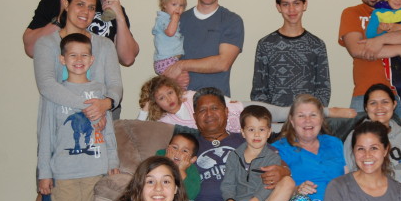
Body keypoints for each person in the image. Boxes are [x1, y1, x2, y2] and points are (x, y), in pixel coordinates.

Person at [29, 0, 123, 201]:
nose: (84, 11)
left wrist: (104, 103)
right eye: (79, 4)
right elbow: (47, 87)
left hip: (95, 148)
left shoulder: (104, 46)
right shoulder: (47, 44)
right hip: (60, 144)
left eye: (91, 7)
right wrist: (89, 103)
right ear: (66, 4)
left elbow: (114, 90)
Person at [137, 76, 355, 134]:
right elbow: (142, 129)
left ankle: (328, 111)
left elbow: (214, 100)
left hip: (239, 108)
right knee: (281, 128)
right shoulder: (165, 121)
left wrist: (229, 102)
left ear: (176, 90)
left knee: (282, 112)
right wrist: (143, 110)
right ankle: (320, 123)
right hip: (239, 129)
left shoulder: (189, 96)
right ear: (156, 103)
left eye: (169, 93)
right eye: (161, 98)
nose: (169, 99)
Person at [163, 0, 243, 97]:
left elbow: (223, 63)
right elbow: (164, 58)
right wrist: (172, 76)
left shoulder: (232, 21)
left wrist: (182, 65)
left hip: (215, 104)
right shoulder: (178, 19)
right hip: (179, 103)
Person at [251, 0, 331, 107]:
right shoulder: (265, 44)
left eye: (296, 3)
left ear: (305, 5)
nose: (291, 10)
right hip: (275, 121)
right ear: (278, 7)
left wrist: (311, 115)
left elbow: (323, 90)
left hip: (308, 120)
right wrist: (270, 116)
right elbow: (258, 90)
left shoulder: (317, 45)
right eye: (286, 4)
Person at [155, 133, 201, 201]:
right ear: (168, 148)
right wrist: (167, 162)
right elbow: (152, 174)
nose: (178, 152)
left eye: (185, 151)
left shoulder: (192, 170)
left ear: (192, 159)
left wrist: (181, 170)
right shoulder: (160, 155)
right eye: (174, 147)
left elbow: (191, 194)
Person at [152, 0, 188, 75]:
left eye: (181, 5)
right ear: (164, 4)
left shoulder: (172, 19)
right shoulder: (163, 19)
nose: (178, 8)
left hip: (172, 60)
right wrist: (175, 19)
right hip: (165, 61)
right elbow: (170, 32)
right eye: (174, 4)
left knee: (182, 81)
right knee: (183, 79)